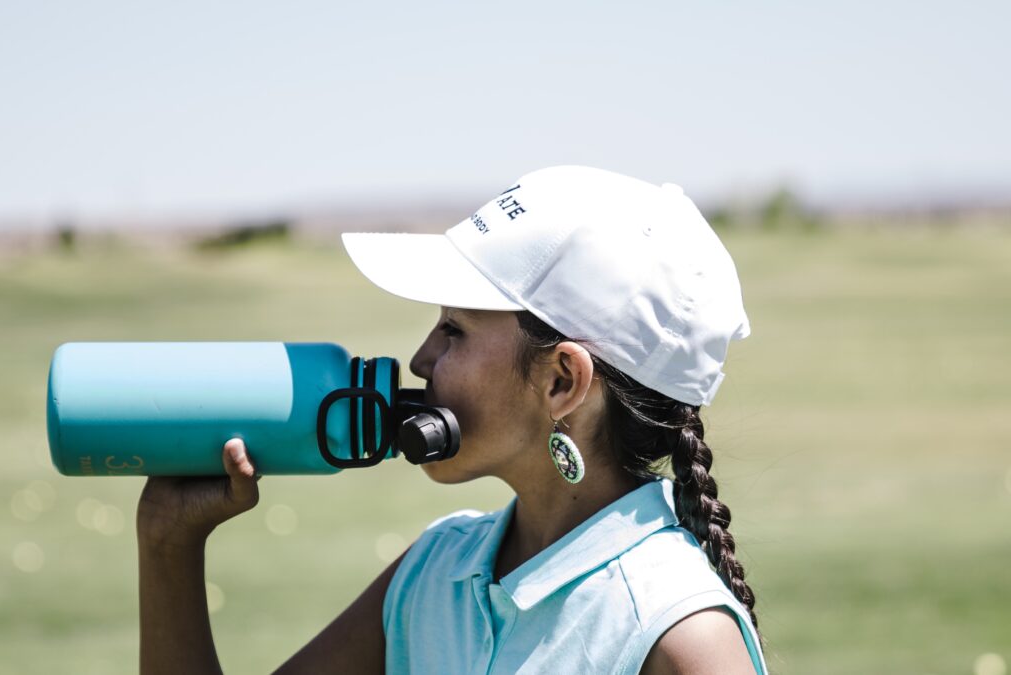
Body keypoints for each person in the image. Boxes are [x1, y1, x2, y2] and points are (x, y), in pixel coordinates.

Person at [136, 166, 768, 674]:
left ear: (561, 381)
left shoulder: (681, 634)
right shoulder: (435, 572)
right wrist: (169, 545)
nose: (420, 359)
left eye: (454, 330)